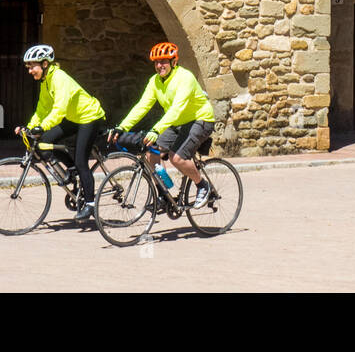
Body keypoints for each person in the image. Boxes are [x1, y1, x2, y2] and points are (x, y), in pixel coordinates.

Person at [110, 41, 216, 208]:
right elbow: (142, 105)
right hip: (177, 122)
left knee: (177, 158)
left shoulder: (185, 77)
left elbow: (176, 109)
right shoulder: (155, 81)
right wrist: (123, 126)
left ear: (174, 62)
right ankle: (164, 194)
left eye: (164, 61)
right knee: (151, 152)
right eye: (157, 62)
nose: (160, 65)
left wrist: (156, 130)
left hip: (200, 119)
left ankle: (203, 185)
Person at [14, 44, 105, 222]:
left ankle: (90, 205)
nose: (30, 71)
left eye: (32, 66)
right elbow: (42, 109)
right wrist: (30, 127)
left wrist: (44, 126)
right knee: (43, 143)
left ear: (45, 64)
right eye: (28, 67)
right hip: (74, 118)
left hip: (90, 117)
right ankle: (72, 170)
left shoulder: (59, 78)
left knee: (81, 161)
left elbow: (59, 109)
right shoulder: (46, 82)